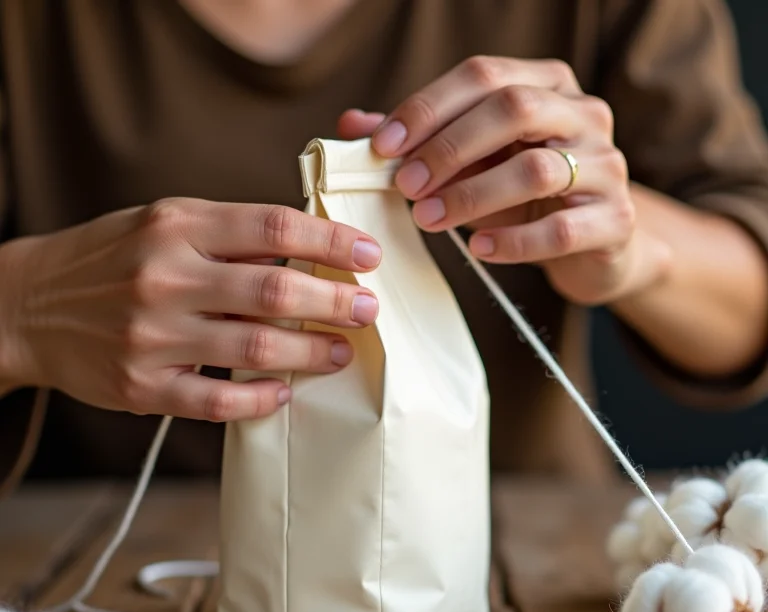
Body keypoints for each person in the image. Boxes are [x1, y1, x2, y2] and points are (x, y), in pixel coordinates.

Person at [1, 0, 767, 483]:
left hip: (528, 556)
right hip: (76, 577)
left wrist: (632, 247)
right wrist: (23, 308)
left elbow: (749, 311)